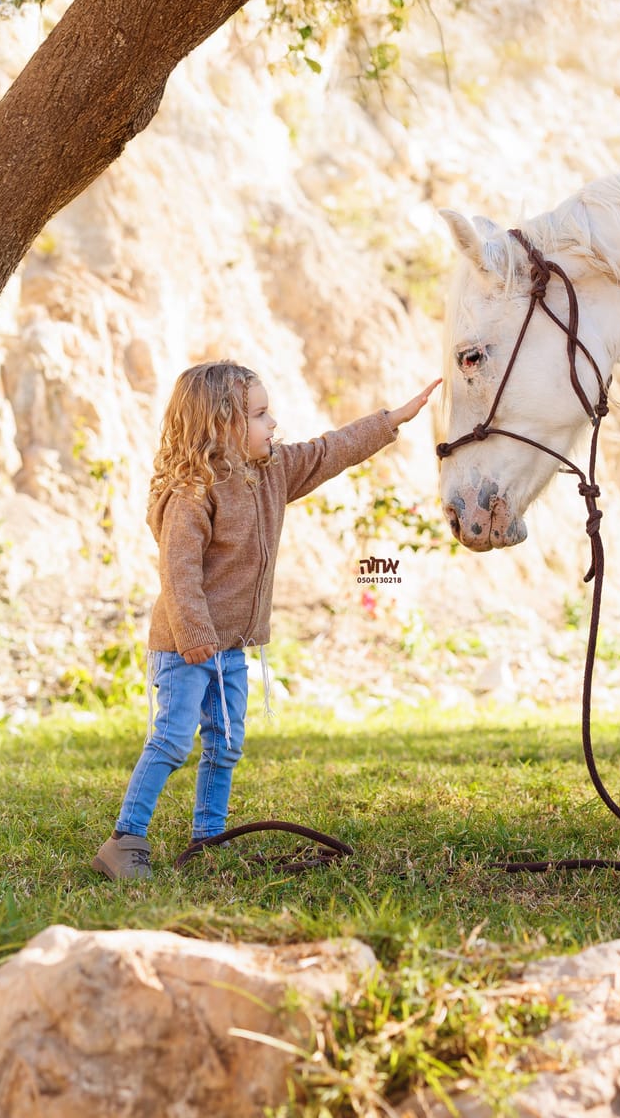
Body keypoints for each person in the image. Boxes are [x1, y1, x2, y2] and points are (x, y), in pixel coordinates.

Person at [91, 360, 440, 879]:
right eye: (259, 414)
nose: (273, 423)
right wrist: (195, 637)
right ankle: (125, 840)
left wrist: (392, 420)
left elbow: (330, 450)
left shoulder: (272, 472)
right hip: (184, 646)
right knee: (170, 738)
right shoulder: (191, 494)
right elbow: (178, 572)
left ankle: (210, 837)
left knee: (226, 744)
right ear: (219, 425)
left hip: (231, 647)